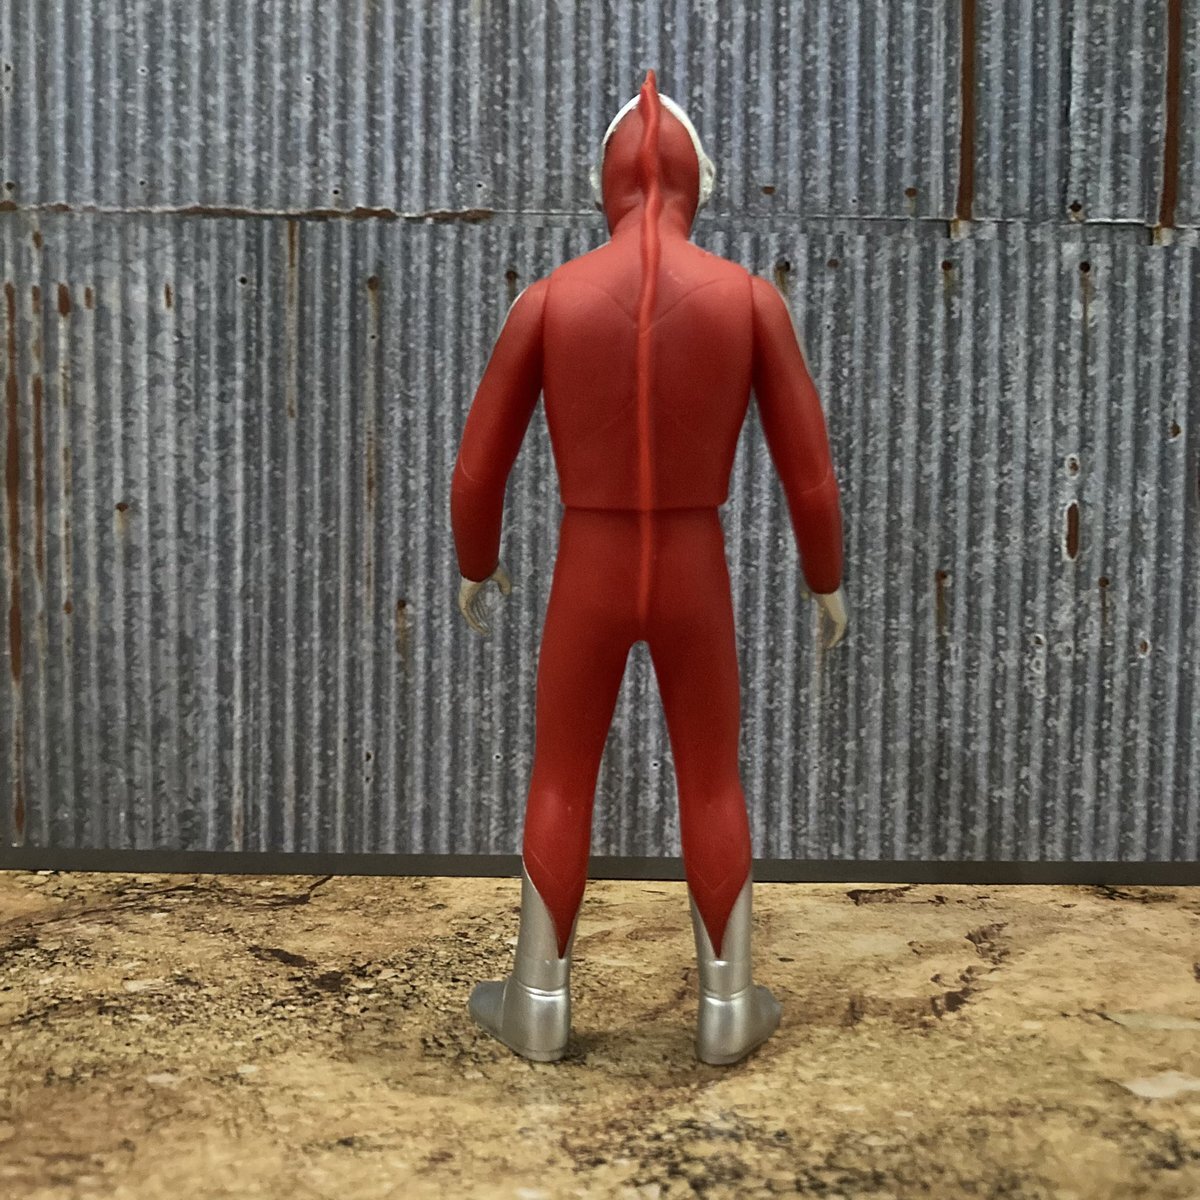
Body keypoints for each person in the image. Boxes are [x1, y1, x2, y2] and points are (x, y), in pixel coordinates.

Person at [450, 70, 846, 1065]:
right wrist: (825, 576)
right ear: (698, 181)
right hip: (692, 565)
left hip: (589, 560)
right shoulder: (749, 300)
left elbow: (478, 467)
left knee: (561, 772)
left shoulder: (550, 299)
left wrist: (477, 562)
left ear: (606, 183)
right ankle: (728, 1006)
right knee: (711, 778)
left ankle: (538, 1003)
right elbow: (809, 470)